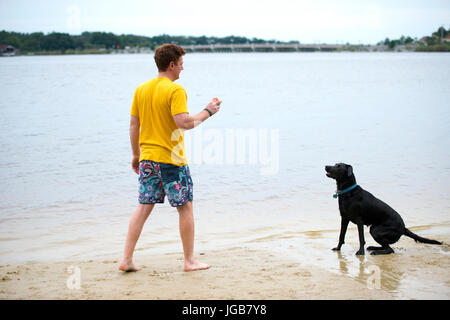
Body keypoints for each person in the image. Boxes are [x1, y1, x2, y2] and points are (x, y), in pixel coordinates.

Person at [118, 44, 221, 272]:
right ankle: (189, 261)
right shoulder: (175, 90)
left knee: (144, 206)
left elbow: (134, 124)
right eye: (181, 64)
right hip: (171, 160)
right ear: (172, 64)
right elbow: (184, 123)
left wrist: (135, 154)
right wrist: (209, 111)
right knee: (185, 207)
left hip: (147, 158)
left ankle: (126, 259)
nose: (183, 69)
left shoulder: (141, 89)